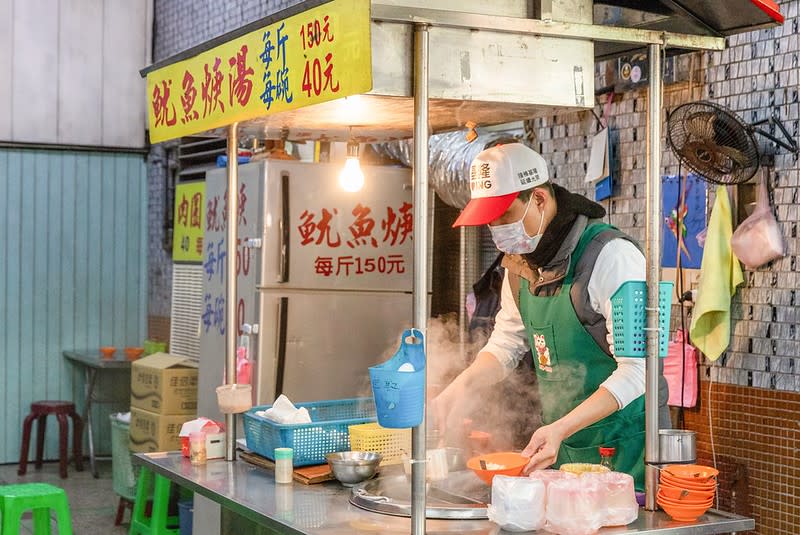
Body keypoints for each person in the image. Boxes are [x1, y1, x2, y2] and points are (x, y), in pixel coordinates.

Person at [432, 143, 669, 490]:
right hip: (562, 452)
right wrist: (461, 385)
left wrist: (561, 428)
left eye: (504, 217)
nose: (497, 232)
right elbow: (506, 344)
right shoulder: (519, 267)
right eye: (490, 223)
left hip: (628, 452)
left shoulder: (613, 257)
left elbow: (641, 370)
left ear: (539, 200)